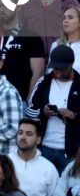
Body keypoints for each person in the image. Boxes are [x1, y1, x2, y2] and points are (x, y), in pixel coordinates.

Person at [26, 45, 80, 173]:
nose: (57, 72)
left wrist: (74, 115)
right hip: (44, 147)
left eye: (62, 69)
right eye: (55, 68)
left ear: (71, 64)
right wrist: (43, 112)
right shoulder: (44, 82)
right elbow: (29, 110)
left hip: (72, 151)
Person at [7, 117, 59, 196]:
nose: (23, 137)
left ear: (38, 140)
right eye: (20, 133)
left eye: (29, 134)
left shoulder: (49, 168)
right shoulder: (5, 162)